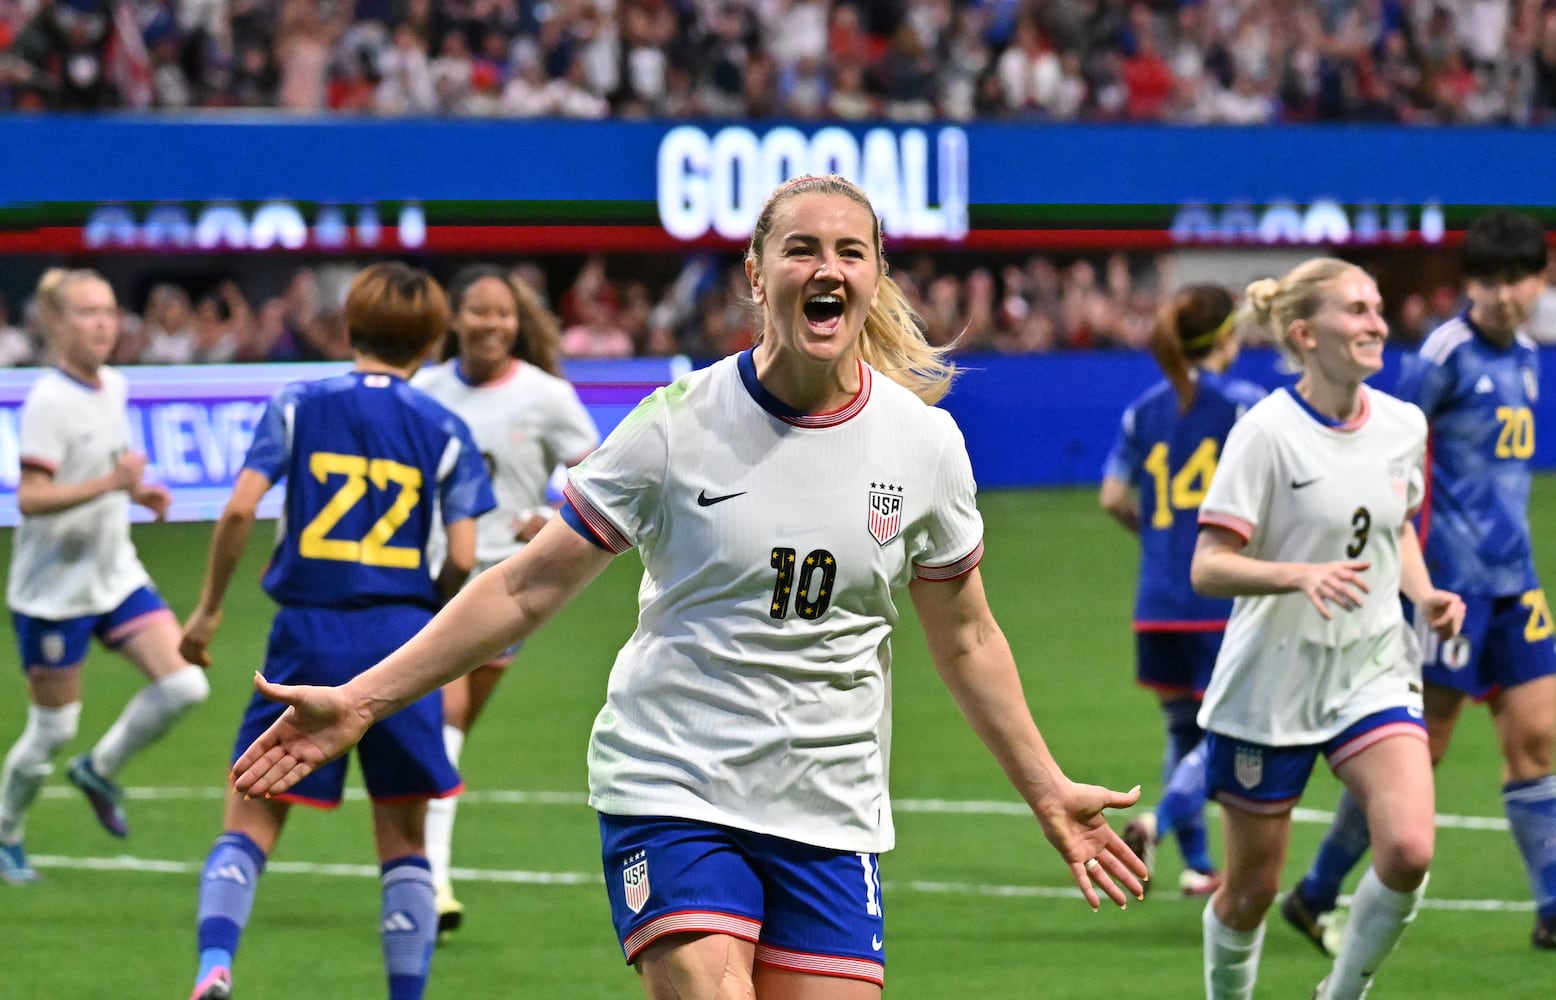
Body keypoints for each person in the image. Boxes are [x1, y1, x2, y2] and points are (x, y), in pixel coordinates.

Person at [226, 175, 1149, 1000]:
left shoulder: (924, 446)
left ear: (873, 280)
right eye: (801, 248)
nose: (826, 267)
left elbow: (969, 637)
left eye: (850, 251)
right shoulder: (676, 426)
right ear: (757, 275)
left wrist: (1045, 789)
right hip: (673, 784)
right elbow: (524, 588)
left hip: (831, 805)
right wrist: (361, 700)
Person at [176, 263, 495, 1000]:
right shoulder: (445, 425)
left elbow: (235, 511)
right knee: (405, 842)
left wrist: (209, 610)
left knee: (251, 812)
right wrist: (429, 617)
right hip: (399, 645)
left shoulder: (297, 403)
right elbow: (469, 554)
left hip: (305, 637)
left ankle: (214, 965)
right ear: (430, 342)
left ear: (348, 328)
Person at [1282, 210, 1556, 955]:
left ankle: (1553, 906)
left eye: (1517, 280)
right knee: (1415, 753)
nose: (1503, 296)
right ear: (1471, 284)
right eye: (1489, 282)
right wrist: (1403, 574)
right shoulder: (1444, 355)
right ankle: (1315, 892)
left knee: (1538, 738)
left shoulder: (1529, 355)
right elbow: (1386, 449)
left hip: (1517, 584)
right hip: (1449, 590)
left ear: (1541, 279)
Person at [1191, 258, 1465, 1000]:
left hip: (1371, 664)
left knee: (1409, 848)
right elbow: (1209, 566)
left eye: (1378, 307)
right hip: (1271, 682)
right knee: (1249, 891)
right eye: (1357, 310)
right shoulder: (1266, 433)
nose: (1377, 322)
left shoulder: (1403, 425)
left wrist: (1426, 591)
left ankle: (1340, 995)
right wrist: (1297, 575)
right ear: (1307, 334)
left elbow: (1391, 528)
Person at [0, 268, 210, 886]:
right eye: (87, 312)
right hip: (53, 592)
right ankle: (7, 829)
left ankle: (100, 769)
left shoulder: (113, 385)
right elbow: (32, 500)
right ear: (57, 324)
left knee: (186, 686)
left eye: (110, 311)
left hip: (113, 573)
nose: (103, 324)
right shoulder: (48, 402)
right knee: (50, 731)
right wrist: (112, 486)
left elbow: (107, 468)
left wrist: (138, 493)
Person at [410, 264, 600, 937]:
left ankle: (414, 857)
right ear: (454, 319)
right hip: (432, 583)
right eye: (480, 312)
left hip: (508, 590)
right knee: (444, 725)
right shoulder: (425, 391)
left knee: (451, 731)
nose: (493, 324)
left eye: (504, 314)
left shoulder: (545, 396)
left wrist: (549, 516)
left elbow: (597, 473)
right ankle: (429, 881)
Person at [1099, 285, 1266, 897]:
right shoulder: (1247, 405)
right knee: (1225, 734)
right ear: (1229, 336)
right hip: (1218, 601)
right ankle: (1159, 822)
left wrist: (1161, 538)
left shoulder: (1144, 409)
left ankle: (1198, 868)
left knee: (1183, 734)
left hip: (1159, 602)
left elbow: (1113, 496)